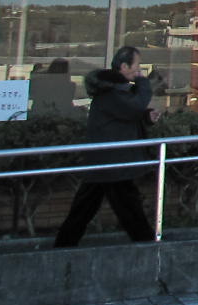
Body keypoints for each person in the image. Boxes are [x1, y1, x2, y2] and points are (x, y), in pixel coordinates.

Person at [53, 46, 160, 247]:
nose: (139, 71)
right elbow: (134, 106)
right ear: (124, 66)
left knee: (86, 207)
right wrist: (144, 84)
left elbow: (125, 115)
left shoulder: (113, 90)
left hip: (106, 161)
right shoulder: (111, 92)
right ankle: (147, 245)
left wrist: (146, 117)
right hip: (113, 161)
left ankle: (64, 245)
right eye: (137, 66)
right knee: (128, 208)